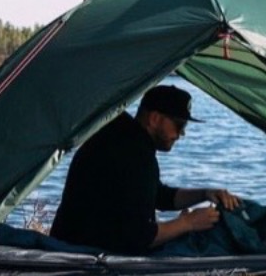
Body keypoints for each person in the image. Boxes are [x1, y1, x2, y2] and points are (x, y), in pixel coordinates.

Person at [49, 85, 240, 255]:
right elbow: (139, 237)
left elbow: (159, 195)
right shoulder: (136, 156)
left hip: (66, 240)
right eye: (179, 125)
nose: (181, 134)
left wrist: (204, 194)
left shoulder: (120, 135)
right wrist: (187, 223)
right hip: (88, 252)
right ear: (155, 119)